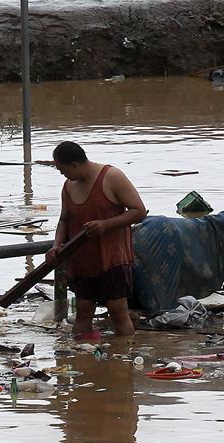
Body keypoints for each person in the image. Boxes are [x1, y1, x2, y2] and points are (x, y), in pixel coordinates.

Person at [47, 141, 147, 337]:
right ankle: (81, 358)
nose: (62, 175)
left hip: (112, 258)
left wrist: (105, 224)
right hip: (83, 261)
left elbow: (139, 211)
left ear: (74, 165)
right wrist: (56, 245)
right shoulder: (68, 187)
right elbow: (64, 220)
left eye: (63, 170)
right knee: (83, 310)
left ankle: (125, 358)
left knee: (117, 311)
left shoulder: (112, 177)